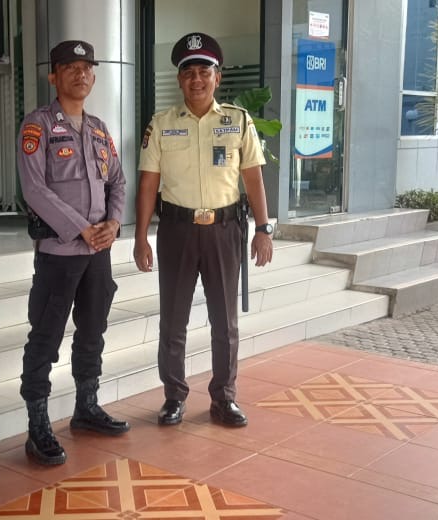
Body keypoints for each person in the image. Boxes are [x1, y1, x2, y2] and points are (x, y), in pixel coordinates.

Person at [134, 32, 274, 428]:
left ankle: (224, 398)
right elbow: (148, 184)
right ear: (180, 80)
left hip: (224, 231)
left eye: (204, 72)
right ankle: (174, 397)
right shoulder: (161, 124)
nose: (196, 79)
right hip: (176, 231)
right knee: (173, 320)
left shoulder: (238, 121)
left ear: (217, 77)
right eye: (189, 73)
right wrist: (141, 237)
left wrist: (263, 228)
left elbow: (253, 178)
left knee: (224, 322)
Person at [16, 40, 129, 466]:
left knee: (92, 331)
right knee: (45, 337)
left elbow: (117, 182)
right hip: (59, 253)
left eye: (86, 67)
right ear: (54, 76)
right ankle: (38, 426)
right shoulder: (38, 125)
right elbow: (34, 189)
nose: (80, 74)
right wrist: (82, 228)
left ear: (94, 77)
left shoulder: (99, 128)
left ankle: (87, 407)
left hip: (98, 253)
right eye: (70, 67)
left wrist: (113, 223)